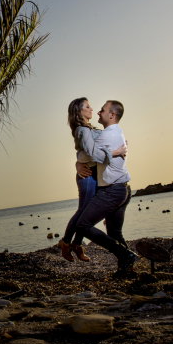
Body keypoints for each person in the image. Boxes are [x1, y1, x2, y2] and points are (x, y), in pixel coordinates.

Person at [58, 98, 127, 262]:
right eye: (87, 107)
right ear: (79, 111)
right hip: (87, 175)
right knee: (83, 212)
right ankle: (66, 242)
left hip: (93, 174)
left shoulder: (90, 129)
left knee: (85, 213)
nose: (92, 109)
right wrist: (114, 153)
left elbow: (87, 150)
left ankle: (76, 243)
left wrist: (78, 160)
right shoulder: (82, 130)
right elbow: (91, 153)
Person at [74, 100, 138, 276]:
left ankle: (125, 254)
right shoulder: (117, 133)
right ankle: (127, 268)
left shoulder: (105, 136)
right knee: (115, 233)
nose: (98, 112)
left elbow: (86, 155)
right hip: (124, 189)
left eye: (102, 110)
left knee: (83, 225)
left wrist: (78, 164)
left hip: (112, 191)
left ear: (112, 115)